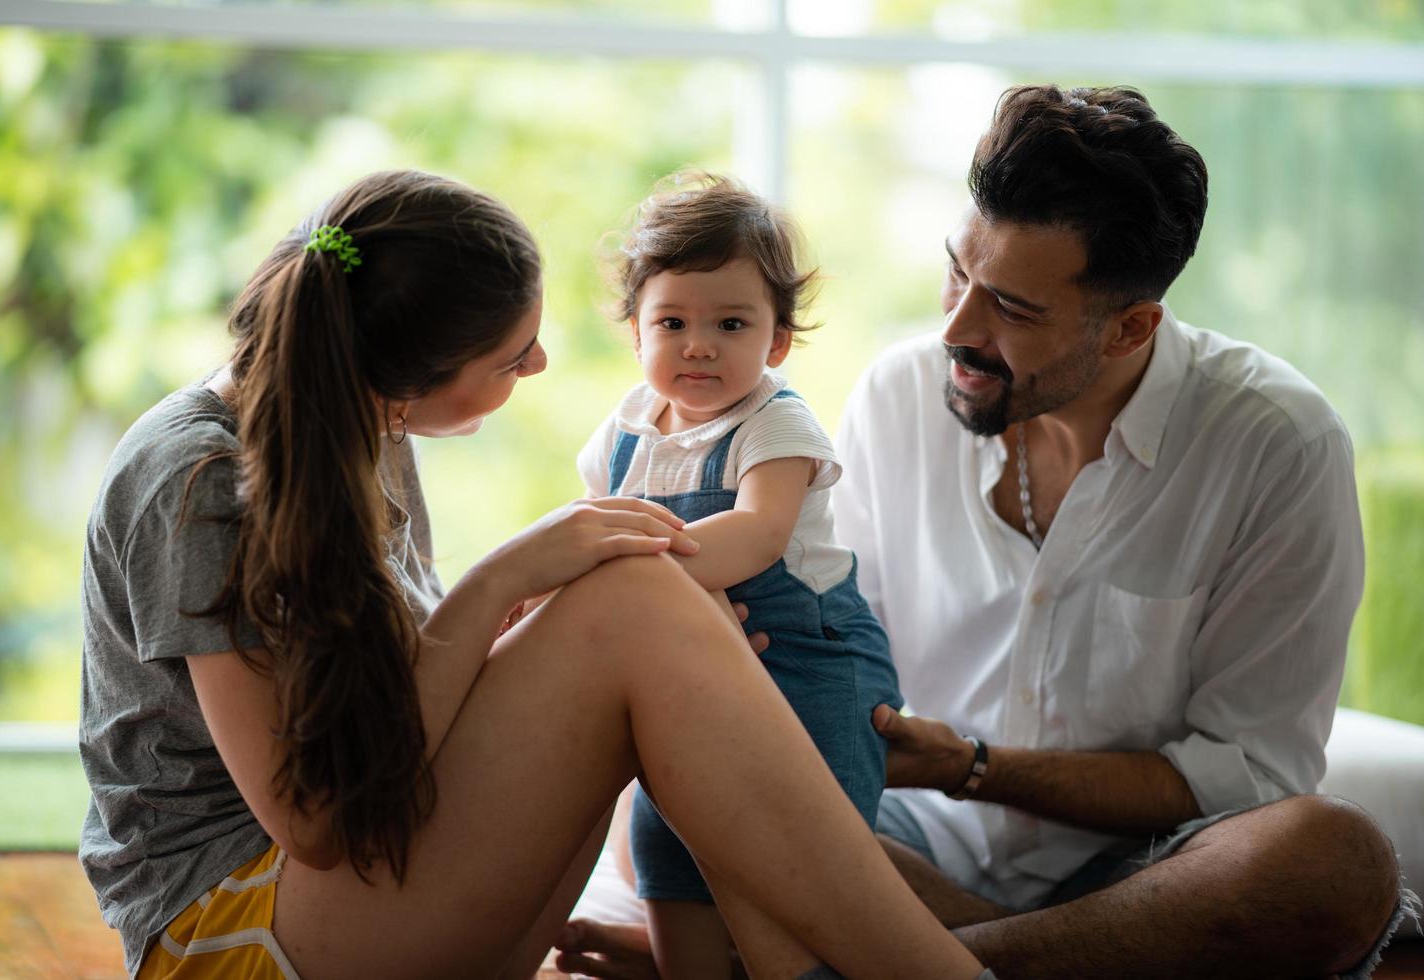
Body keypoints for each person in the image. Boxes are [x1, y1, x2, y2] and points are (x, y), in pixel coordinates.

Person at [558, 86, 1414, 979]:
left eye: (1012, 309)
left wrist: (973, 767)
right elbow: (827, 638)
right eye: (957, 274)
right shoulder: (895, 395)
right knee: (665, 804)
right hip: (908, 842)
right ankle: (965, 958)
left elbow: (1253, 774)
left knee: (1338, 861)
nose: (956, 329)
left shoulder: (1277, 442)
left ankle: (898, 960)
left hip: (1145, 868)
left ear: (1129, 327)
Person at [77, 168, 990, 980]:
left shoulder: (360, 423)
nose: (542, 363)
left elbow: (392, 700)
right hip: (234, 932)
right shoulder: (194, 485)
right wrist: (497, 584)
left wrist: (567, 633)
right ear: (406, 381)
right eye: (514, 358)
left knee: (644, 592)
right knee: (631, 591)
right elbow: (314, 823)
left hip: (361, 886)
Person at [575, 173, 903, 979]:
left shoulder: (776, 422)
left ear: (777, 342)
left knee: (807, 856)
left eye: (731, 323)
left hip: (808, 661)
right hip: (695, 670)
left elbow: (757, 534)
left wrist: (629, 573)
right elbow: (587, 525)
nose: (699, 345)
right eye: (673, 322)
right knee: (667, 840)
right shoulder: (622, 433)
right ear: (635, 330)